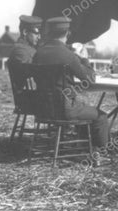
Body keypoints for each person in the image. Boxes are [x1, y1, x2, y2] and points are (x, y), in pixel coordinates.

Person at [32, 17, 109, 150]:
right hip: (65, 110)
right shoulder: (68, 55)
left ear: (49, 33)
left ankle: (85, 145)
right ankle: (104, 149)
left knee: (82, 106)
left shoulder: (38, 53)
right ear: (68, 33)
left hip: (43, 109)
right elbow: (90, 79)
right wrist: (84, 59)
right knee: (101, 116)